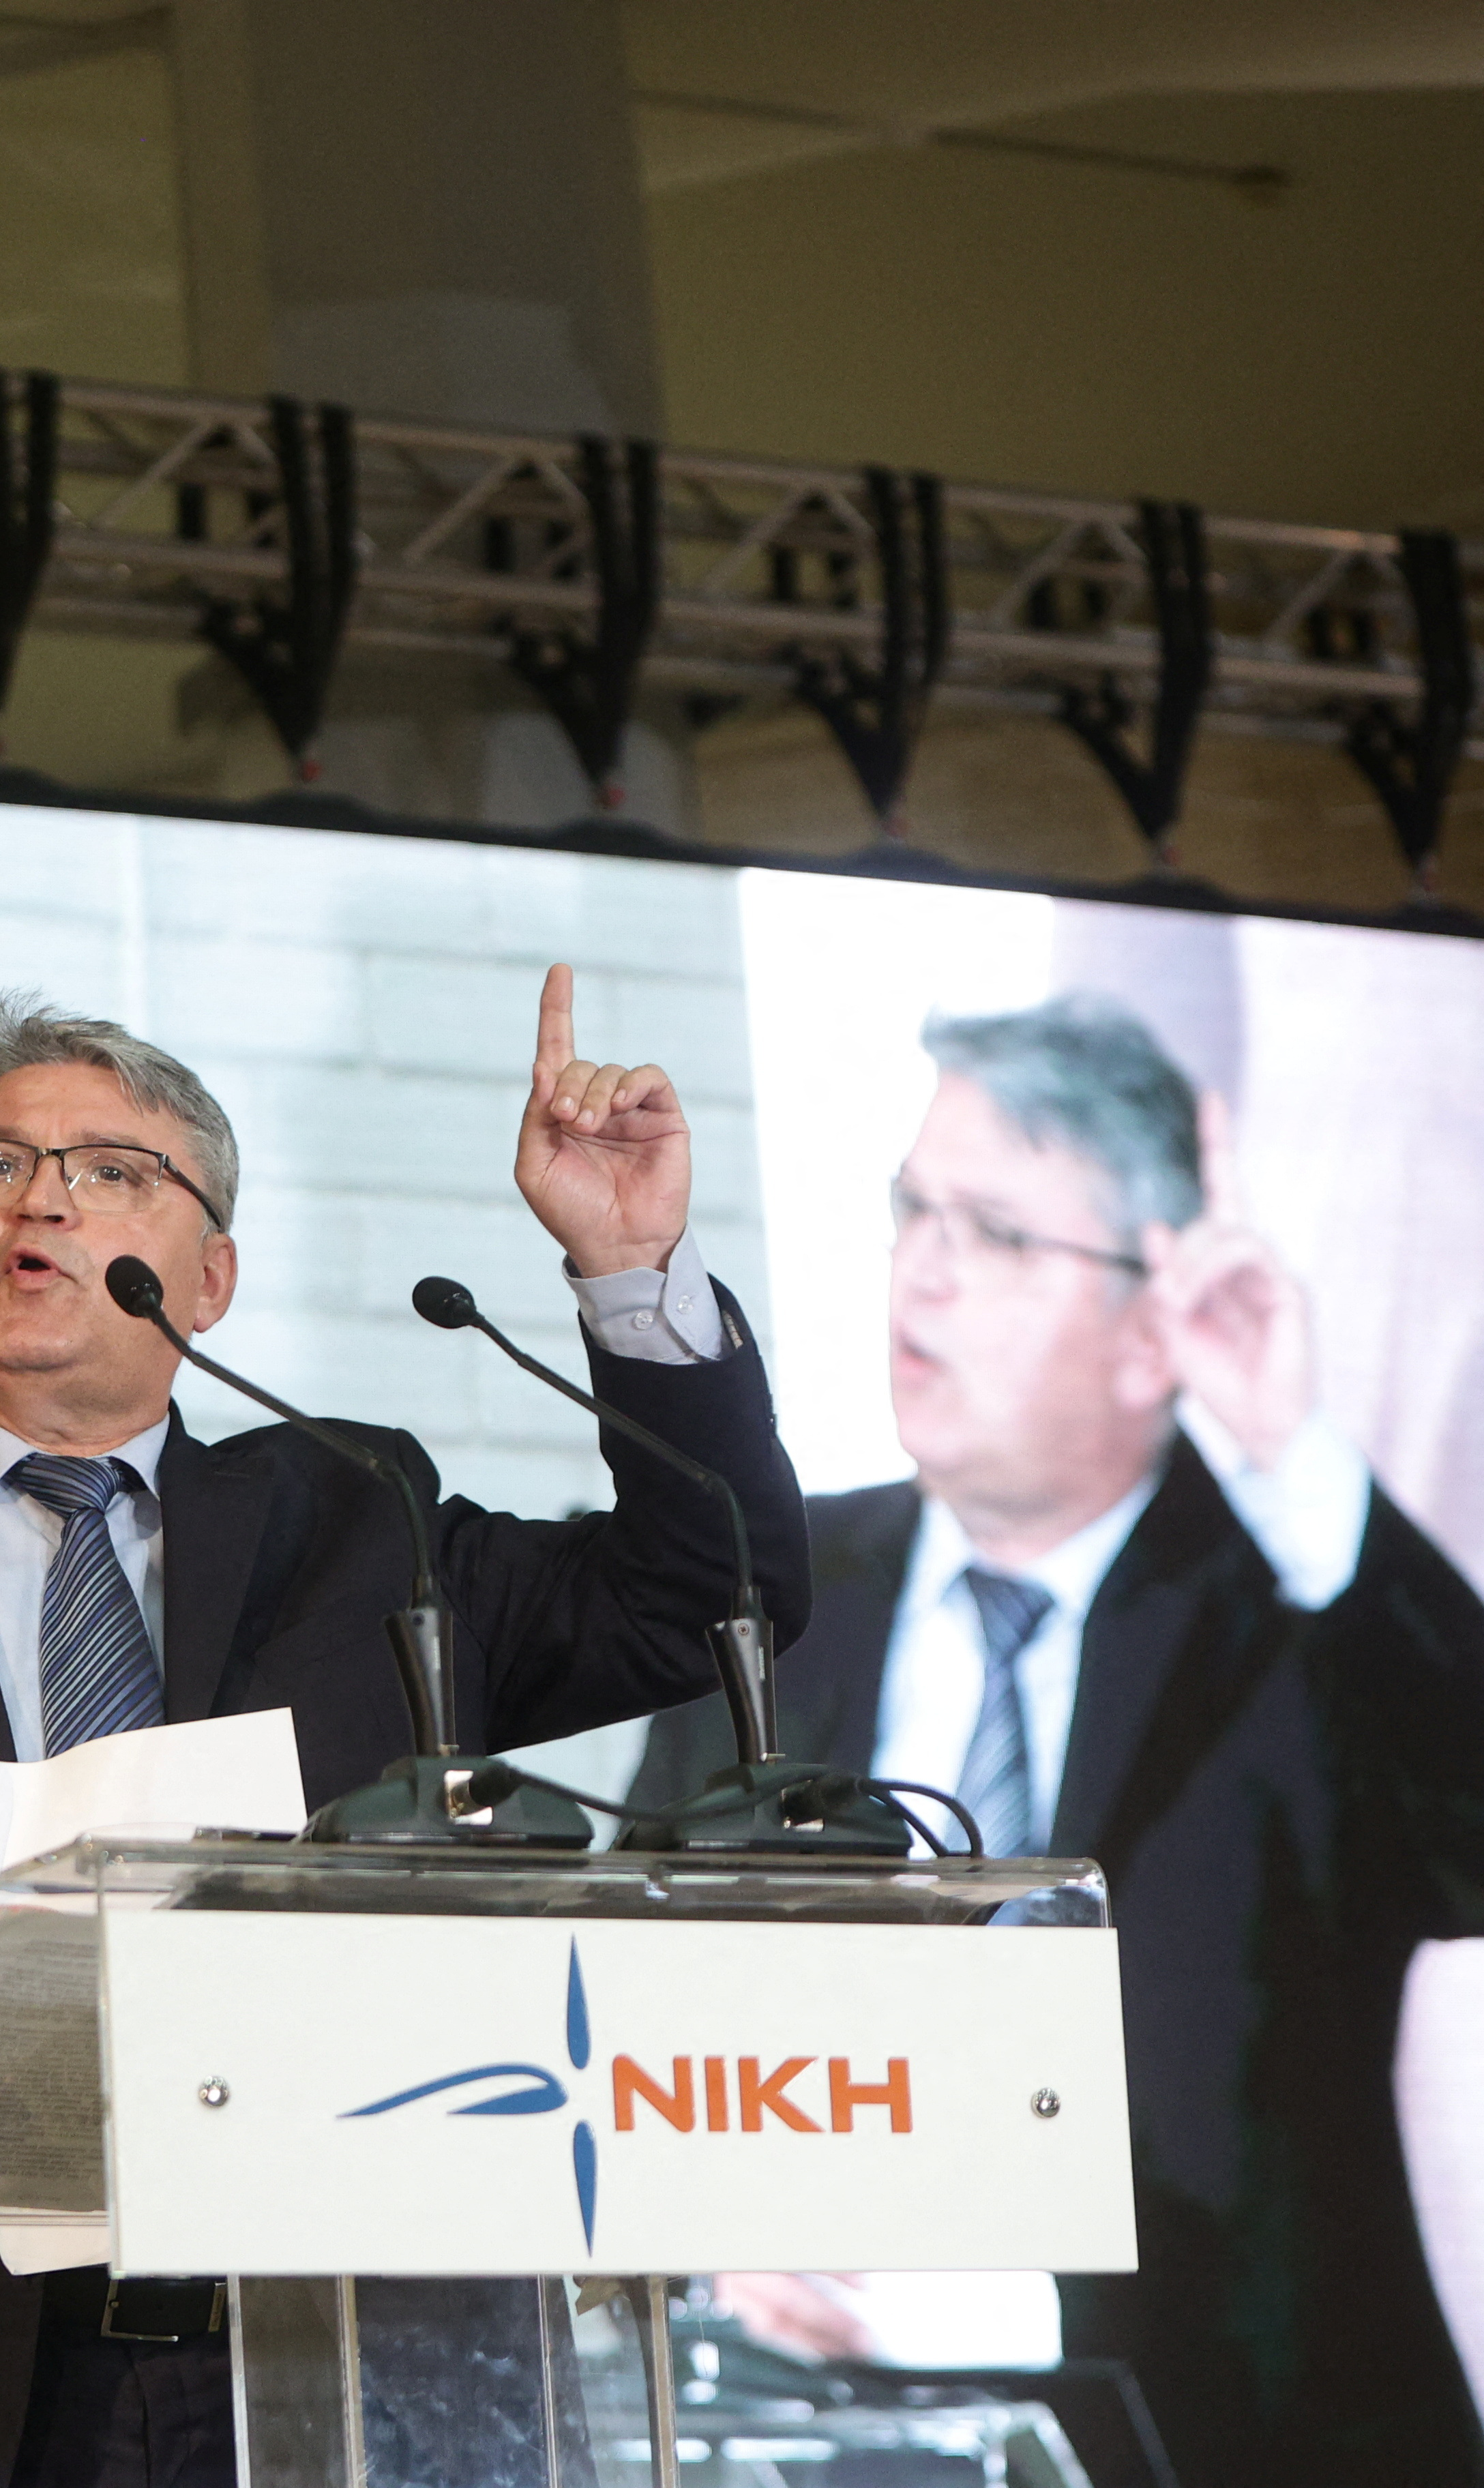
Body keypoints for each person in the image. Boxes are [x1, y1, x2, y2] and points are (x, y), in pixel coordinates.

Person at [0, 980, 811, 2488]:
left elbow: (728, 1590)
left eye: (112, 1170)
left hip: (342, 2368)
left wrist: (632, 1270)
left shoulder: (365, 1526)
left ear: (213, 1273)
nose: (40, 1199)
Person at [627, 994, 1484, 2487]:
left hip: (1242, 2442)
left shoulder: (1297, 1616)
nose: (927, 1275)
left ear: (1157, 1324)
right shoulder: (776, 1594)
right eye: (915, 1211)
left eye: (1002, 1236)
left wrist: (1297, 1461)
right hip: (799, 2440)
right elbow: (646, 1986)